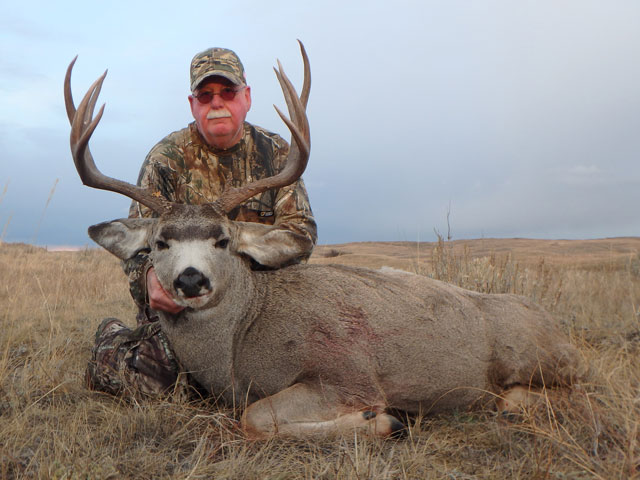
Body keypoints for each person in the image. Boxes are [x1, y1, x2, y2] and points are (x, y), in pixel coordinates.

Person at [85, 47, 317, 397]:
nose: (217, 103)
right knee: (161, 384)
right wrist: (148, 279)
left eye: (228, 92)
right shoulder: (165, 158)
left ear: (247, 97)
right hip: (181, 310)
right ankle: (112, 338)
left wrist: (234, 269)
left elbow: (298, 235)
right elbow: (136, 249)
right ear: (193, 104)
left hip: (258, 310)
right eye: (205, 96)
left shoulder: (279, 154)